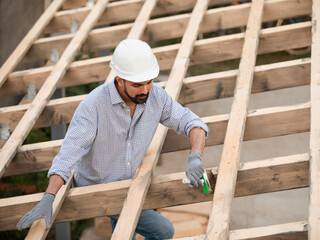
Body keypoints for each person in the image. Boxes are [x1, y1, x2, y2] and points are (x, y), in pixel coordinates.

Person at [17, 38, 209, 239]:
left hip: (129, 182)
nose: (145, 90)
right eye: (137, 85)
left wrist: (195, 156)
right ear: (119, 80)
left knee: (127, 230)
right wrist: (49, 196)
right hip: (95, 187)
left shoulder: (156, 97)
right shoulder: (94, 106)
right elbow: (69, 153)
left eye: (149, 82)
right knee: (164, 231)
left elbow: (192, 122)